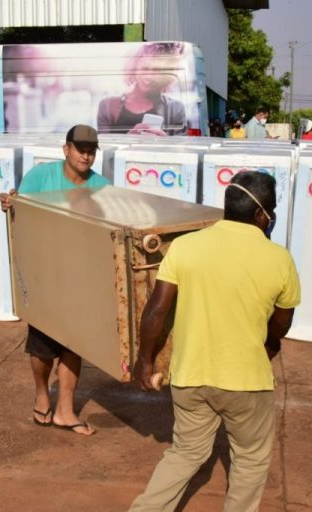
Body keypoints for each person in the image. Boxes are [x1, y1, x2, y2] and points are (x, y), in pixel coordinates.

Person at [129, 171, 301, 512]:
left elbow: (156, 311)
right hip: (247, 382)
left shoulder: (186, 246)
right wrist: (265, 346)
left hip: (190, 376)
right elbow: (281, 325)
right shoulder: (279, 259)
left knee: (186, 453)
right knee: (250, 460)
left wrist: (145, 361)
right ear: (261, 215)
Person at [0, 124, 110, 436]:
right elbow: (19, 210)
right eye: (80, 149)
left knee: (73, 343)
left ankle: (65, 410)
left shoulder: (102, 186)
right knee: (42, 348)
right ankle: (40, 390)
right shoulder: (40, 177)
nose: (86, 155)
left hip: (80, 275)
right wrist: (9, 203)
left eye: (91, 150)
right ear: (66, 149)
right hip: (43, 274)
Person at [97, 42, 187, 135]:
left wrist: (164, 142)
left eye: (157, 70)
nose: (149, 76)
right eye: (145, 68)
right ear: (134, 66)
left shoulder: (175, 109)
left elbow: (180, 147)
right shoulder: (107, 106)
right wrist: (128, 140)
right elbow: (102, 147)